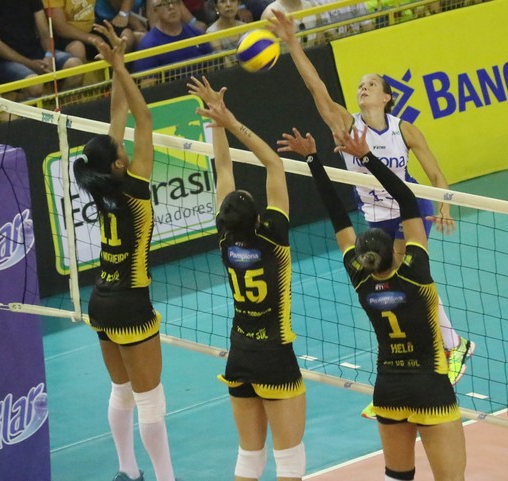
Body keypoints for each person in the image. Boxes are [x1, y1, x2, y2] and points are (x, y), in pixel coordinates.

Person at [269, 9, 475, 401]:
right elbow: (317, 90)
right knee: (395, 280)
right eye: (360, 85)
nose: (363, 89)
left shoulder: (405, 130)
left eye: (371, 85)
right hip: (375, 216)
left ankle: (452, 345)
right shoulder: (347, 126)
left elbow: (437, 177)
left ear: (387, 96)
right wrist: (293, 43)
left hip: (410, 208)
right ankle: (443, 343)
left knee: (409, 273)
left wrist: (445, 205)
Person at [307, 125, 467, 481]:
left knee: (396, 477)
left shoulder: (361, 279)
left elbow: (337, 216)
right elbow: (407, 200)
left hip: (389, 388)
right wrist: (366, 157)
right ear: (395, 253)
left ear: (363, 258)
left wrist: (313, 161)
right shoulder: (415, 274)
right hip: (430, 386)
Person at [72, 21, 181, 481]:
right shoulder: (135, 188)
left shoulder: (100, 186)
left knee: (121, 392)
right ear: (119, 162)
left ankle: (126, 471)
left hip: (101, 300)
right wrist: (121, 63)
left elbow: (117, 120)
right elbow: (144, 118)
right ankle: (166, 478)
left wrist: (114, 68)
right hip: (132, 301)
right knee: (150, 398)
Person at [188, 76, 306, 481]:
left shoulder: (226, 240)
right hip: (275, 353)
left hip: (239, 353)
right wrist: (229, 119)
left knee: (249, 457)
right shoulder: (274, 237)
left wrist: (215, 123)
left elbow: (223, 166)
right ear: (258, 217)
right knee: (289, 461)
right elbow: (273, 162)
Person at [0, 0, 83, 99]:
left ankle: (63, 112)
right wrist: (30, 64)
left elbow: (44, 30)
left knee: (75, 66)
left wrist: (49, 55)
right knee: (35, 84)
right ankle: (19, 119)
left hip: (35, 52)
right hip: (0, 61)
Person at [133, 0, 212, 79]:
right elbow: (148, 86)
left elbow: (213, 67)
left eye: (174, 2)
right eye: (164, 4)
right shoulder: (148, 45)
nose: (171, 7)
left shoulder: (196, 33)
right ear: (155, 11)